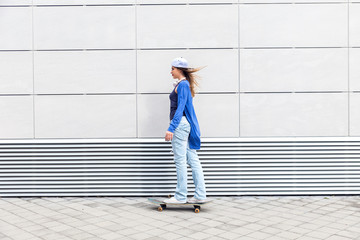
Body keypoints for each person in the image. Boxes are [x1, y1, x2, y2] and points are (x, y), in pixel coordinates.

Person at [164, 57, 207, 204]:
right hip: (184, 125)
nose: (171, 71)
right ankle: (200, 194)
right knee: (193, 159)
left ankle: (181, 196)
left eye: (173, 69)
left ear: (179, 70)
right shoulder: (184, 85)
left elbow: (180, 108)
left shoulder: (182, 85)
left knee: (180, 160)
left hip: (180, 125)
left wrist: (171, 128)